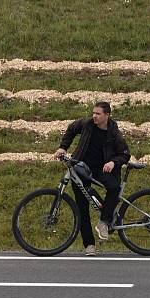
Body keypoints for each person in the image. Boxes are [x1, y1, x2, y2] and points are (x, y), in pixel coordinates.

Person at [53, 102, 131, 256]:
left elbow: (125, 154)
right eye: (93, 113)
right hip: (81, 168)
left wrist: (113, 162)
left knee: (114, 188)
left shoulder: (114, 133)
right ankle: (89, 245)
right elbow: (71, 129)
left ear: (107, 115)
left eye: (98, 114)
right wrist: (63, 147)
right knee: (82, 207)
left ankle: (104, 221)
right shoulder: (87, 124)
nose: (94, 116)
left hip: (102, 169)